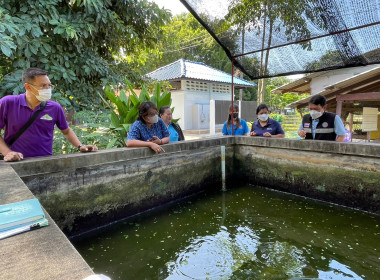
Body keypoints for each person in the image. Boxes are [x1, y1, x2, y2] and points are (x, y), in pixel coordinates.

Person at [0, 68, 98, 162]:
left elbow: (66, 131)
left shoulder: (55, 107)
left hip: (46, 163)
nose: (47, 89)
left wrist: (80, 146)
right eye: (43, 86)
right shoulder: (8, 103)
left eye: (49, 85)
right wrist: (8, 153)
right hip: (15, 162)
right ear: (28, 87)